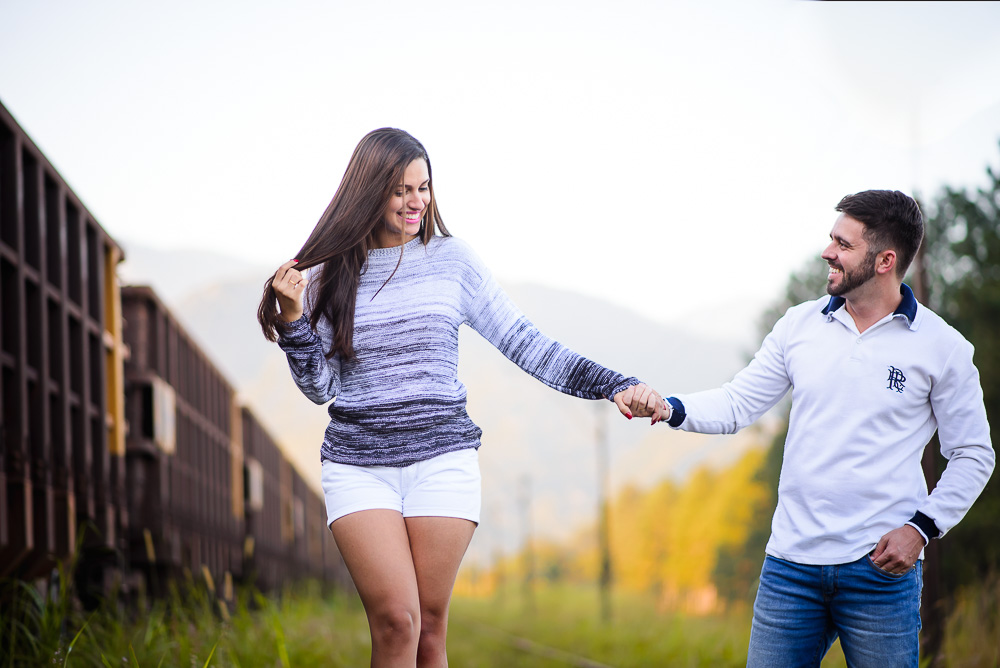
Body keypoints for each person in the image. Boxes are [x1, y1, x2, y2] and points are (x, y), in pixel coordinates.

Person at [257, 128, 660, 667]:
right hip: (359, 464)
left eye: (423, 188)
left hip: (441, 461)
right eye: (401, 190)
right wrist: (291, 320)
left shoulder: (453, 262)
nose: (416, 202)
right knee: (397, 622)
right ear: (368, 191)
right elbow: (319, 388)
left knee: (429, 629)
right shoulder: (328, 274)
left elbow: (527, 344)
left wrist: (612, 383)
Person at [651, 190, 994, 667]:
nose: (827, 251)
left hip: (880, 574)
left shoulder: (944, 348)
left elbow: (974, 453)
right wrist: (667, 407)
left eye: (843, 243)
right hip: (790, 568)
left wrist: (921, 529)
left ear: (884, 260)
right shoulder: (798, 325)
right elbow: (736, 403)